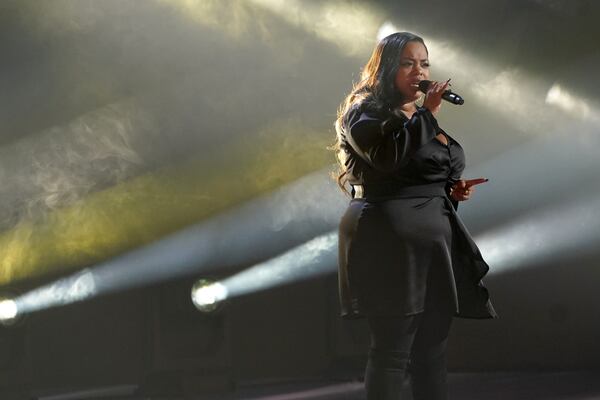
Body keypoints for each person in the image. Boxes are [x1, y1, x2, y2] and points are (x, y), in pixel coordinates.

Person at [332, 32, 497, 400]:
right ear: (386, 68)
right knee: (393, 350)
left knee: (432, 352)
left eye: (424, 64)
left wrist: (450, 190)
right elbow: (387, 158)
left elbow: (422, 168)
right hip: (387, 239)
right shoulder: (364, 112)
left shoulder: (417, 116)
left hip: (434, 237)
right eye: (408, 63)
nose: (419, 72)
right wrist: (429, 113)